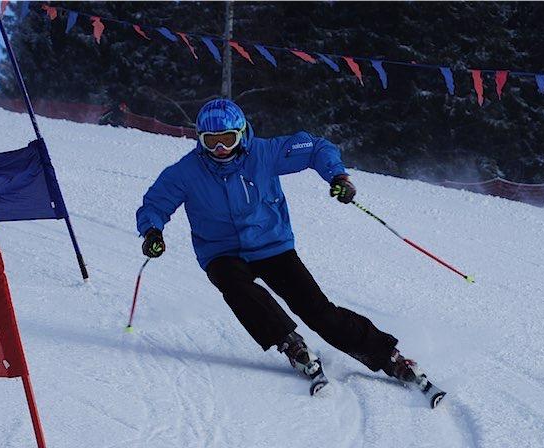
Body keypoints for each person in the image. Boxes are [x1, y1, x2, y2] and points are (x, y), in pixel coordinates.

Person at [135, 98, 442, 402]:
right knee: (236, 287)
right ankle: (290, 343)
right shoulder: (186, 173)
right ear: (199, 140)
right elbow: (154, 204)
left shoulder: (265, 153)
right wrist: (152, 231)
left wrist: (338, 176)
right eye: (211, 141)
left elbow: (317, 148)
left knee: (317, 310)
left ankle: (389, 357)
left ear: (241, 134)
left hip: (271, 245)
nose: (220, 149)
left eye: (228, 139)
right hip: (221, 252)